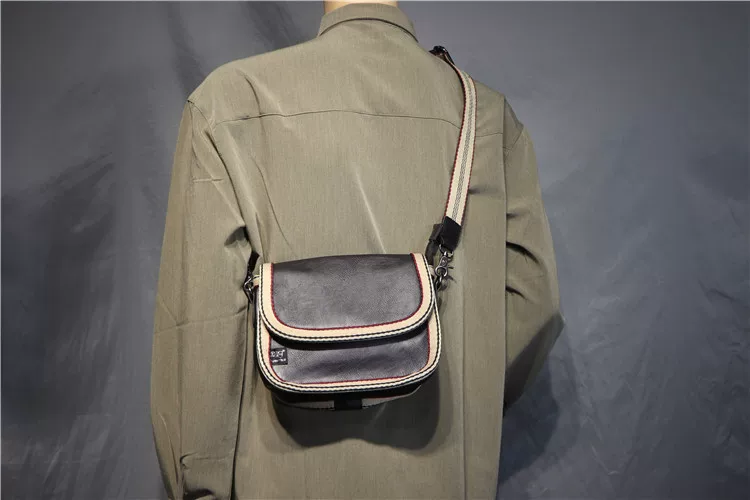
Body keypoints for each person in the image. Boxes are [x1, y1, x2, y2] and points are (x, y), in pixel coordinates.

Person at [149, 1, 564, 498]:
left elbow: (199, 332)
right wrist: (454, 392)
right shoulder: (487, 117)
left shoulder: (227, 103)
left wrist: (201, 488)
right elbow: (534, 303)